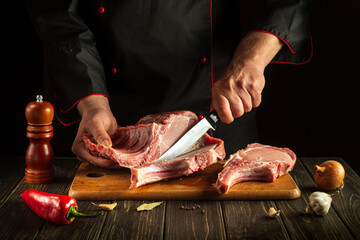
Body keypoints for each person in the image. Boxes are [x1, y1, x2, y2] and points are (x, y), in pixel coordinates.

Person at [25, 0, 313, 168]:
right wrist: (92, 103)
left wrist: (250, 60)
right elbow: (59, 15)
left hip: (217, 109)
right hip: (114, 123)